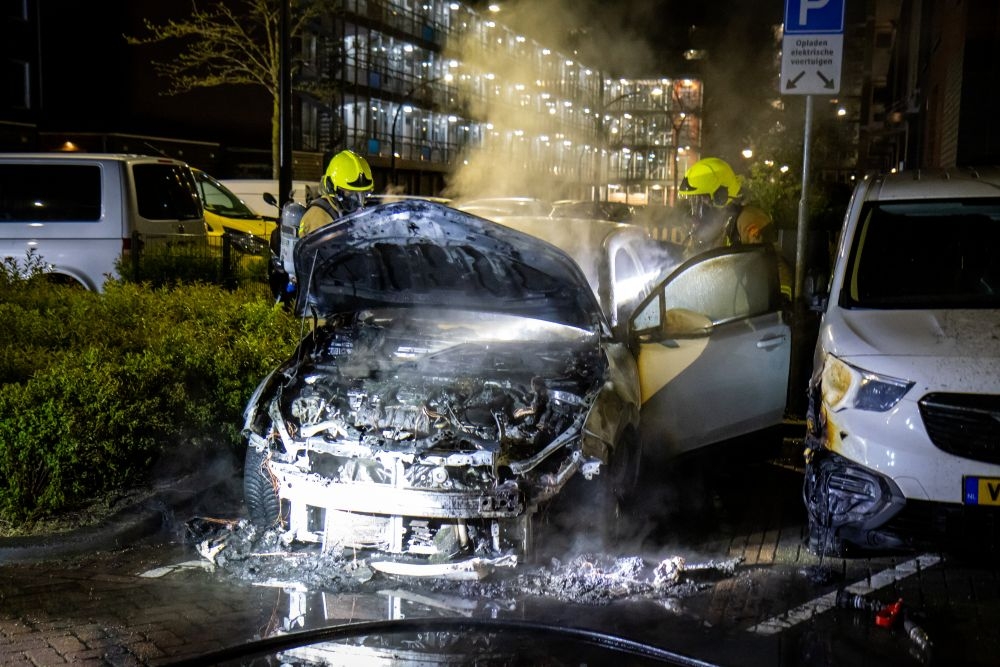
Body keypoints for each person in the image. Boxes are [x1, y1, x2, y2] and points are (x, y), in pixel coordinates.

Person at [677, 157, 791, 301]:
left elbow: (774, 268)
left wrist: (780, 304)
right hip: (716, 306)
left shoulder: (748, 221)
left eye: (701, 200)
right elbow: (688, 269)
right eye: (694, 202)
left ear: (720, 197)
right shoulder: (706, 231)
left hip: (746, 312)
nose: (697, 209)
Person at [298, 149, 374, 236]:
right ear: (332, 188)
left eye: (363, 193)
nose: (359, 201)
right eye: (350, 193)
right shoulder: (318, 217)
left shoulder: (344, 210)